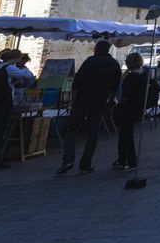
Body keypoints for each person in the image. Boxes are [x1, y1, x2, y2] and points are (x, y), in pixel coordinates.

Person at [58, 40, 122, 175]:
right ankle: (85, 164)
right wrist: (110, 101)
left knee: (72, 130)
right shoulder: (114, 64)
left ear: (96, 49)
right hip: (100, 103)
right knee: (92, 133)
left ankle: (68, 160)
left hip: (82, 101)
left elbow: (77, 82)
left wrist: (73, 101)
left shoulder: (89, 61)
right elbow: (115, 87)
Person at [0, 48, 34, 169]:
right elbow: (28, 76)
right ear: (17, 58)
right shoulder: (10, 68)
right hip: (4, 103)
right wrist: (23, 68)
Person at [112, 52, 149, 170]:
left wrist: (117, 104)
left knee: (125, 135)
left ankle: (130, 160)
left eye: (127, 60)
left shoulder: (132, 76)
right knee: (126, 135)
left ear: (132, 62)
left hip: (127, 109)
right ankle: (122, 158)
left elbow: (125, 95)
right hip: (137, 108)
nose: (126, 62)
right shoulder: (143, 74)